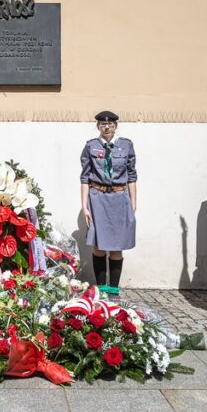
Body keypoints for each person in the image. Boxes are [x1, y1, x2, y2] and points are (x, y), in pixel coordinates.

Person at [81, 110, 137, 296]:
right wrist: (84, 206)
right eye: (103, 124)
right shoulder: (91, 146)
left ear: (116, 126)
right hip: (98, 198)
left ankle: (113, 286)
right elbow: (85, 178)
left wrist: (133, 203)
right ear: (98, 126)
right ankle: (101, 286)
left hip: (120, 198)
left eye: (110, 124)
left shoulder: (126, 145)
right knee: (98, 244)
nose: (107, 127)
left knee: (117, 245)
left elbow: (131, 175)